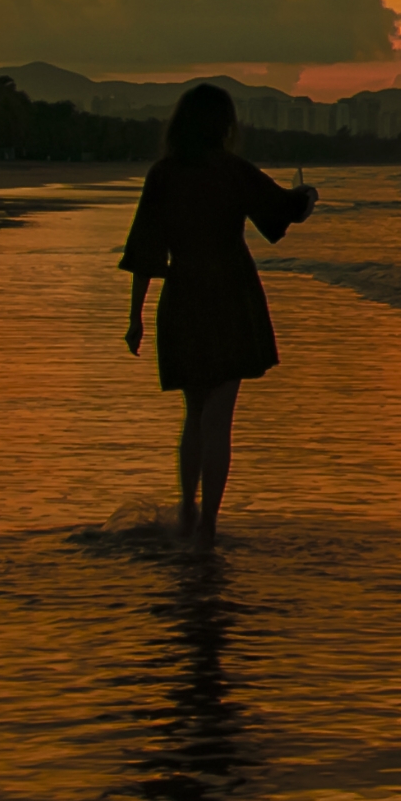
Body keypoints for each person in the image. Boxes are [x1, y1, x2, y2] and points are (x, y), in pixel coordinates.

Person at [119, 84, 319, 548]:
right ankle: (208, 523)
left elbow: (145, 249)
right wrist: (306, 196)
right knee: (219, 421)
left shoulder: (163, 173)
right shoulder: (232, 171)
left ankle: (187, 508)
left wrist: (135, 318)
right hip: (231, 297)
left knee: (194, 414)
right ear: (224, 126)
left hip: (183, 294)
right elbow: (282, 211)